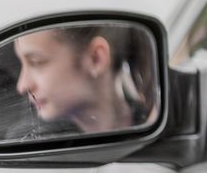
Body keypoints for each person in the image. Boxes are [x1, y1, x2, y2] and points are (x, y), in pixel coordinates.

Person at [14, 24, 154, 134]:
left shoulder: (154, 122)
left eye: (36, 62)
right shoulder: (29, 140)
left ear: (96, 59)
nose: (22, 86)